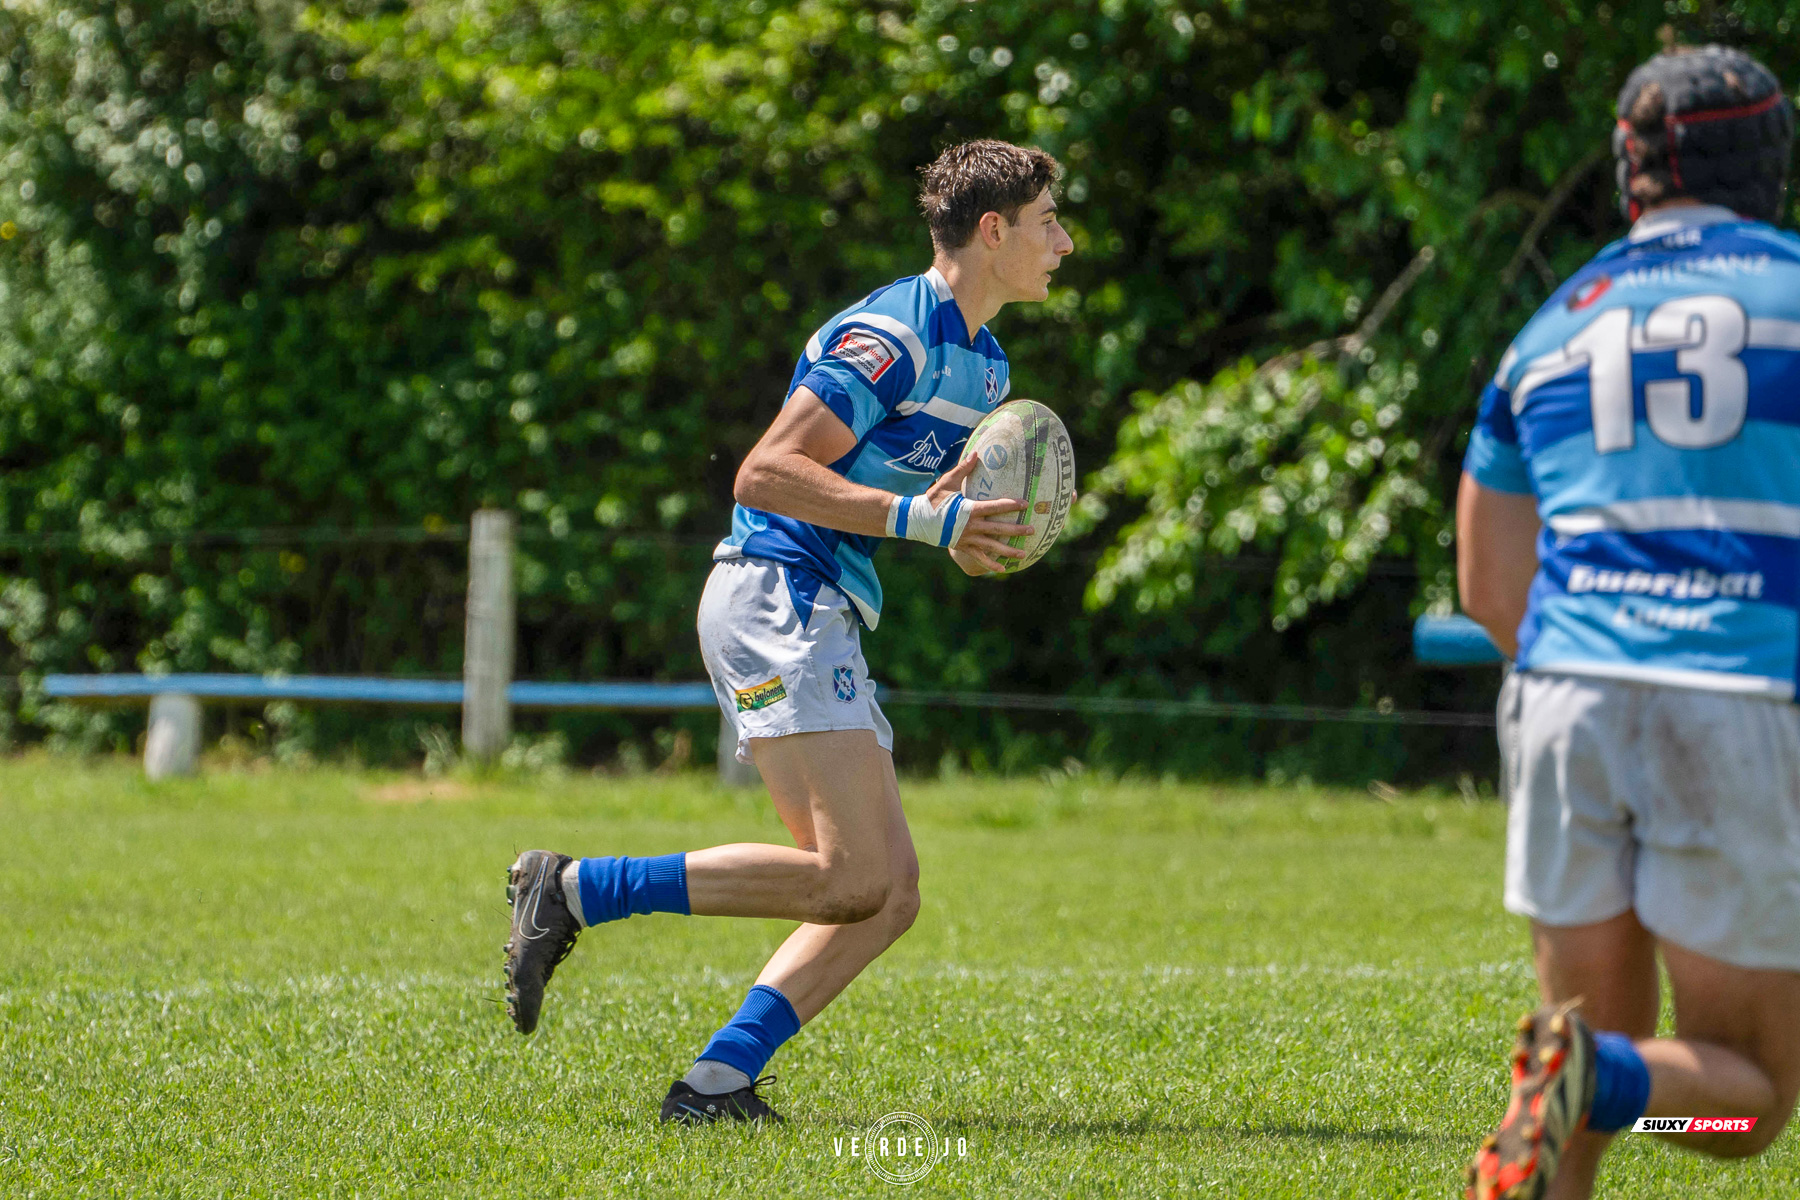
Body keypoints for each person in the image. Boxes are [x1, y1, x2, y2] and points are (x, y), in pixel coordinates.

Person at [500, 139, 1074, 1123]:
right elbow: (764, 473)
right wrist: (921, 520)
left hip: (821, 603)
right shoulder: (893, 335)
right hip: (778, 593)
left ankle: (715, 1085)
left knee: (889, 892)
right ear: (994, 231)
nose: (1064, 244)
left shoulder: (985, 367)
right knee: (849, 876)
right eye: (1049, 222)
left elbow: (892, 495)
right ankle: (578, 889)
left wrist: (959, 528)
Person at [1458, 44, 1800, 1200]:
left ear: (1629, 169)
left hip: (1564, 698)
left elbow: (1488, 585)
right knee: (1742, 1101)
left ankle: (1582, 1080)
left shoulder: (1554, 324)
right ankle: (1595, 1077)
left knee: (1582, 1086)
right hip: (1736, 701)